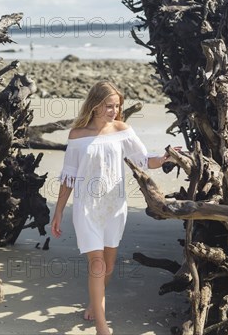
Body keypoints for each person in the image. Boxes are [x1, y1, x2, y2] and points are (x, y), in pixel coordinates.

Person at [50, 80, 170, 335]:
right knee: (97, 264)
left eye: (116, 106)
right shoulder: (77, 135)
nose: (113, 111)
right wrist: (59, 211)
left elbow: (144, 161)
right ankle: (102, 327)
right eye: (108, 106)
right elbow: (68, 177)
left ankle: (95, 303)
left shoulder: (122, 129)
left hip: (114, 206)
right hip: (86, 207)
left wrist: (166, 157)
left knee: (109, 265)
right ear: (94, 105)